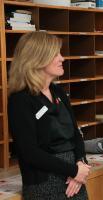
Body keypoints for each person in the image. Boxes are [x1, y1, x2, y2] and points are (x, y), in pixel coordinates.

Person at [8, 32, 91, 200]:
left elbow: (76, 134)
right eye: (56, 54)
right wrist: (73, 171)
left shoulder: (58, 91)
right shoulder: (21, 100)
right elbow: (29, 152)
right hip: (44, 182)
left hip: (74, 179)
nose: (62, 58)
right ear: (37, 58)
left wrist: (81, 164)